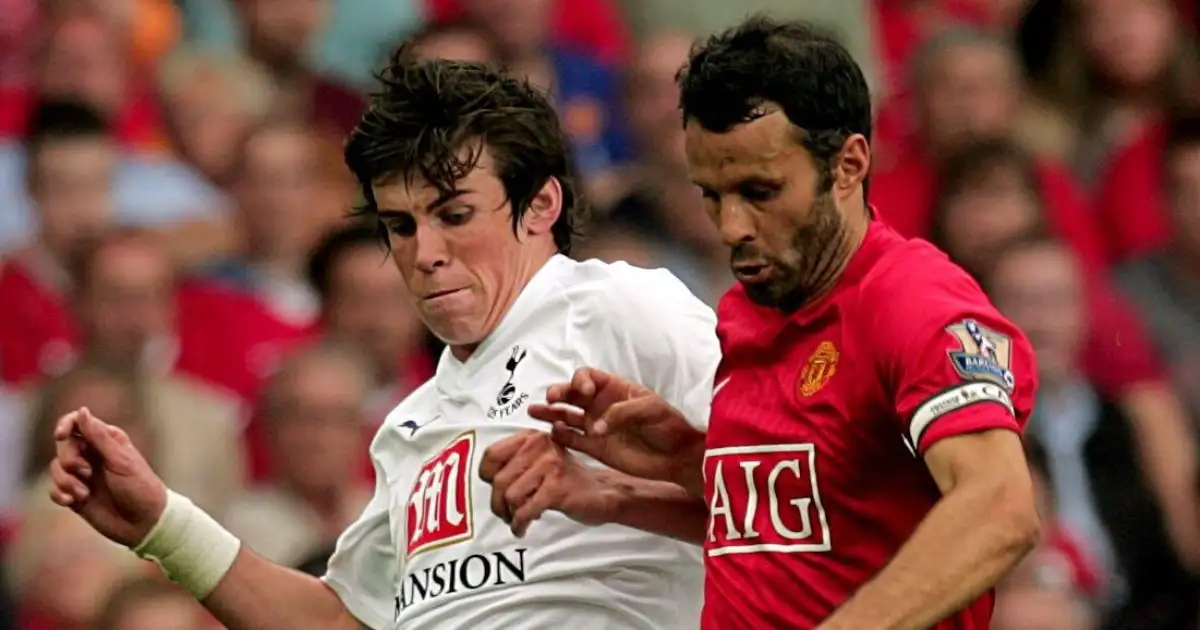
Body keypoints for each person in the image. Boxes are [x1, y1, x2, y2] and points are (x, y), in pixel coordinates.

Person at [45, 46, 719, 630]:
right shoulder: (410, 425)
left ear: (542, 204)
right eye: (400, 226)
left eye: (454, 214)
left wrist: (632, 489)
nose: (424, 252)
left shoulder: (619, 307)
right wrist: (163, 525)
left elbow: (799, 493)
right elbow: (342, 620)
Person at [481, 16, 1041, 629]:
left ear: (849, 164)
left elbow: (1000, 508)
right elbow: (806, 531)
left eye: (761, 191)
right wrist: (645, 482)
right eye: (712, 195)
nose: (731, 227)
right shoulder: (751, 310)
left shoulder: (912, 300)